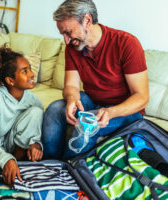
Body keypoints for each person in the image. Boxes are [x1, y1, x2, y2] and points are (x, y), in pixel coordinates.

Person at [42, 0, 149, 160]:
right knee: (54, 109)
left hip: (125, 111)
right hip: (94, 102)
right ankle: (48, 163)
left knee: (87, 126)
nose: (66, 40)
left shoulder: (126, 43)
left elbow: (142, 97)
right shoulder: (73, 47)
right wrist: (72, 99)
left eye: (68, 32)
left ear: (87, 20)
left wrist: (111, 112)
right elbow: (71, 85)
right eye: (62, 34)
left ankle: (67, 169)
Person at [0, 46, 44, 185]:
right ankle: (8, 168)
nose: (31, 74)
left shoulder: (34, 101)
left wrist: (36, 145)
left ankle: (16, 166)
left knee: (36, 112)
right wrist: (5, 159)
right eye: (25, 71)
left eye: (30, 68)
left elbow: (34, 134)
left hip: (14, 149)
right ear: (10, 81)